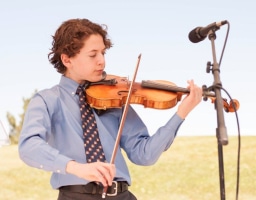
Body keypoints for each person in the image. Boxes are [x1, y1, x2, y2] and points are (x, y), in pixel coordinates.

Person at [18, 18, 203, 200]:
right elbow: (29, 147)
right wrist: (77, 168)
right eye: (92, 55)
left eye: (103, 53)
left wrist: (181, 113)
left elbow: (144, 154)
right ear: (67, 59)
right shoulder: (47, 100)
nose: (102, 61)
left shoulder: (114, 97)